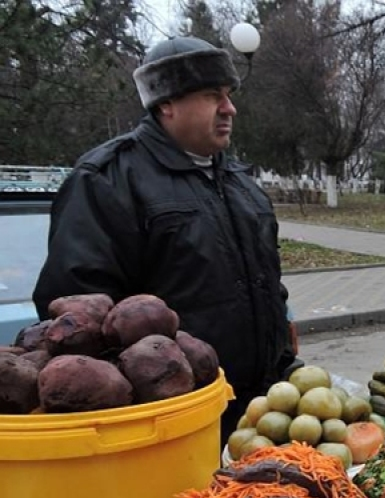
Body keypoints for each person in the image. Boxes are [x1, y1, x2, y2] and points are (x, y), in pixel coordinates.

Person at [32, 35, 298, 442]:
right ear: (166, 104)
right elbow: (78, 319)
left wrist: (285, 363)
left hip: (261, 414)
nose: (229, 109)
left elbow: (267, 284)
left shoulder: (239, 179)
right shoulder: (107, 179)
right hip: (174, 423)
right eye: (213, 96)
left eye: (228, 95)